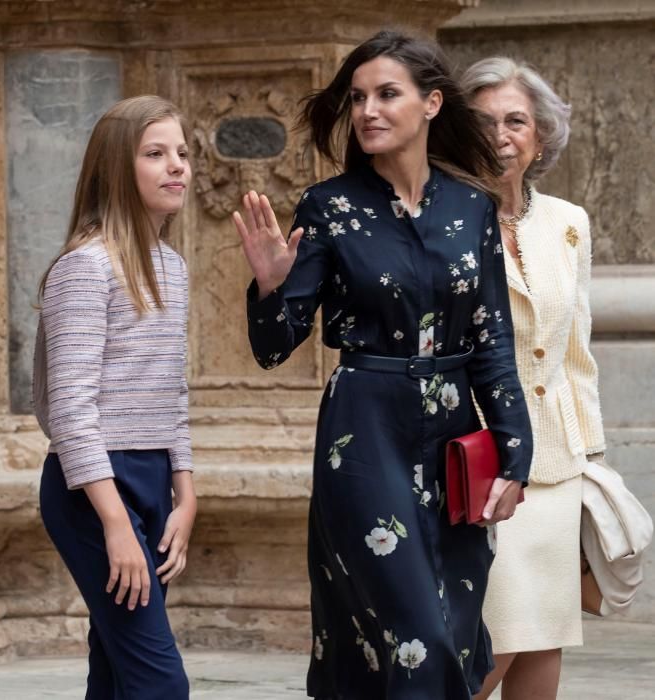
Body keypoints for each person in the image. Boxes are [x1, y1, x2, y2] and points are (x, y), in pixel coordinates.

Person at [233, 31, 533, 699]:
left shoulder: (471, 208)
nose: (367, 109)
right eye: (358, 98)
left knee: (454, 638)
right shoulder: (328, 207)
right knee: (414, 636)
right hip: (362, 432)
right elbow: (274, 347)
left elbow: (492, 343)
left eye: (385, 94)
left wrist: (515, 458)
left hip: (455, 435)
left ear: (430, 104)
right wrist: (268, 286)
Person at [33, 95, 196, 700]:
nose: (176, 165)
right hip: (93, 489)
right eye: (155, 154)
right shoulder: (85, 268)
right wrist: (115, 525)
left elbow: (171, 391)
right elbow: (70, 410)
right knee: (160, 684)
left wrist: (185, 492)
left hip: (153, 480)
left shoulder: (172, 267)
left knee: (118, 675)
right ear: (114, 170)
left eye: (181, 152)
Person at [460, 59, 607, 700]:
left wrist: (592, 460)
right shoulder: (444, 222)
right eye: (484, 121)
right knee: (495, 640)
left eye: (515, 120)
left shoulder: (569, 222)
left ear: (539, 136)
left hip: (558, 464)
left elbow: (579, 350)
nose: (501, 134)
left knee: (544, 638)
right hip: (478, 461)